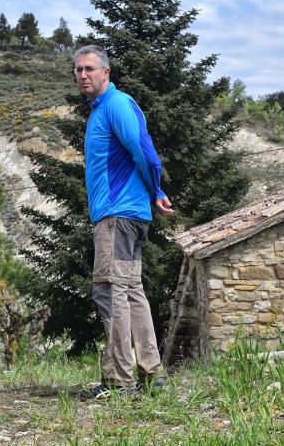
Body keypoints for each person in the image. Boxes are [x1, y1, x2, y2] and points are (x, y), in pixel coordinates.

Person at [71, 45, 174, 401]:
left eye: (89, 69)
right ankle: (151, 374)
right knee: (130, 291)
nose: (83, 75)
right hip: (123, 215)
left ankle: (119, 380)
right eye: (78, 70)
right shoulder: (102, 109)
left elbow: (143, 149)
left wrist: (155, 190)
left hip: (117, 216)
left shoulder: (116, 105)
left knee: (108, 291)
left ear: (106, 73)